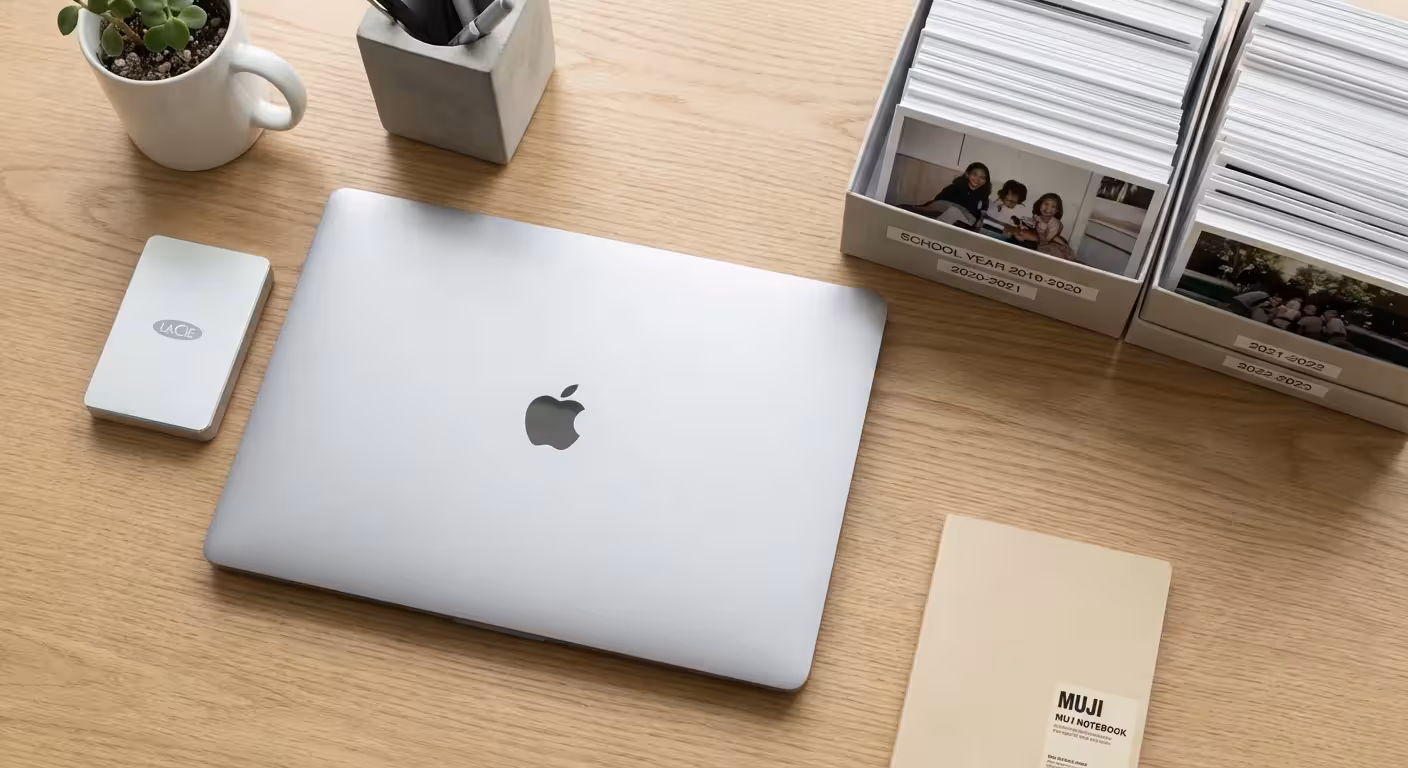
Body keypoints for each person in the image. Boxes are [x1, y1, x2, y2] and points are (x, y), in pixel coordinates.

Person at [900, 162, 991, 229]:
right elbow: (937, 202)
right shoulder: (954, 187)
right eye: (974, 174)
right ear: (967, 174)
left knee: (953, 212)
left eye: (982, 177)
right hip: (940, 211)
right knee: (904, 209)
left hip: (964, 220)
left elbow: (980, 218)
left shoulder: (983, 198)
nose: (977, 179)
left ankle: (927, 230)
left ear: (985, 181)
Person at [1013, 193, 1075, 261]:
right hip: (1039, 239)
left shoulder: (1055, 223)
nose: (1048, 208)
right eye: (1046, 204)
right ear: (1040, 205)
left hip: (1051, 244)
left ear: (1057, 210)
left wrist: (1028, 237)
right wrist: (1024, 227)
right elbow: (1033, 228)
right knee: (1017, 236)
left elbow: (1046, 240)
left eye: (1053, 206)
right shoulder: (1037, 217)